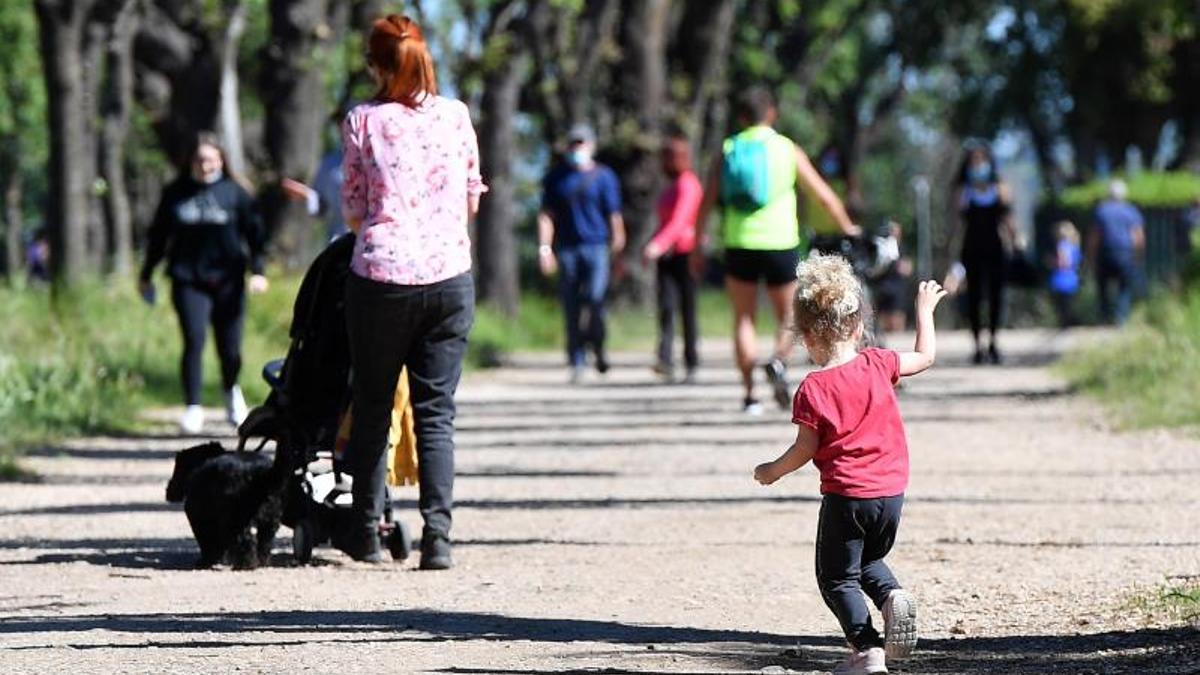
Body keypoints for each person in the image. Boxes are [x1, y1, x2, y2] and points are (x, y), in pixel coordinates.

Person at [338, 14, 486, 569]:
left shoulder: (364, 119)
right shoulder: (456, 116)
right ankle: (438, 538)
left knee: (374, 406)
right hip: (449, 278)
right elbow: (472, 199)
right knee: (435, 414)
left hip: (380, 280)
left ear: (378, 65)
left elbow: (354, 209)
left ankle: (367, 532)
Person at [753, 253, 947, 675]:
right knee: (867, 561)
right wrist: (924, 311)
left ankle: (866, 650)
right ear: (859, 325)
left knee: (836, 577)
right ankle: (892, 597)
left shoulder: (813, 387)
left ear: (805, 335)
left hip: (846, 498)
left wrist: (772, 470)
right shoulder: (879, 362)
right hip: (892, 495)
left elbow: (804, 449)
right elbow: (925, 357)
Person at [692, 87, 858, 414]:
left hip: (739, 242)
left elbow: (706, 201)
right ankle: (779, 361)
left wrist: (698, 243)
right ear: (771, 114)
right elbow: (824, 196)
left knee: (744, 318)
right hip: (781, 242)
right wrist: (848, 227)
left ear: (741, 117)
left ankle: (750, 395)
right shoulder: (786, 149)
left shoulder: (728, 150)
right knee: (791, 314)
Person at [139, 131, 269, 434]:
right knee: (194, 339)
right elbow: (159, 236)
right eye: (199, 159)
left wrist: (259, 271)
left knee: (230, 346)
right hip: (188, 278)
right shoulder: (176, 193)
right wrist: (146, 274)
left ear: (221, 160)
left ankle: (231, 392)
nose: (204, 165)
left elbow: (256, 235)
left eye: (210, 159)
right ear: (190, 161)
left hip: (229, 279)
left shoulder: (236, 193)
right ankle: (193, 406)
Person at [537, 123, 626, 383]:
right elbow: (546, 216)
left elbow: (615, 216)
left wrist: (618, 250)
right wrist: (545, 249)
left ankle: (598, 345)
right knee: (572, 305)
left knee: (595, 300)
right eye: (573, 144)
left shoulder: (605, 176)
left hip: (597, 248)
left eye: (581, 144)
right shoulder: (557, 177)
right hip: (567, 248)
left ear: (592, 146)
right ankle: (576, 358)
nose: (577, 149)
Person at [643, 135, 703, 383]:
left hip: (686, 253)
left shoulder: (688, 185)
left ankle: (691, 361)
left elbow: (680, 221)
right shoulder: (670, 186)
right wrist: (655, 243)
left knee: (687, 309)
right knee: (666, 308)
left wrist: (658, 243)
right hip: (668, 255)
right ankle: (665, 359)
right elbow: (664, 221)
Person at [954, 144, 1015, 364]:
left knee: (996, 296)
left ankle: (994, 341)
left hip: (996, 249)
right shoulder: (964, 189)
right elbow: (957, 218)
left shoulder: (998, 186)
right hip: (971, 249)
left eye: (982, 160)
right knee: (974, 298)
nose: (978, 165)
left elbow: (1008, 215)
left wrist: (1016, 240)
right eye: (974, 161)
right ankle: (977, 345)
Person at [281, 114, 349, 241]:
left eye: (347, 122)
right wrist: (307, 194)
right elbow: (323, 208)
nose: (342, 128)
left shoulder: (378, 159)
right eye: (340, 123)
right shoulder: (329, 162)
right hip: (340, 243)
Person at [1087, 179, 1144, 326]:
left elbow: (1095, 237)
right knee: (1124, 286)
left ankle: (1104, 317)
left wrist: (1091, 257)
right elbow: (1138, 236)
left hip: (1105, 253)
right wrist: (1137, 256)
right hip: (1125, 253)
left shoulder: (1101, 210)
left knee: (1102, 286)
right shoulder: (1131, 211)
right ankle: (1120, 318)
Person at [871, 221, 912, 334]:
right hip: (883, 286)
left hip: (897, 287)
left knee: (897, 318)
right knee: (883, 319)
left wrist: (901, 266)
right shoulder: (880, 246)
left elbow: (908, 269)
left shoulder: (902, 248)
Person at [1048, 220, 1082, 329]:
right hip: (1073, 278)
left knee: (1062, 306)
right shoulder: (1075, 246)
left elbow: (1063, 262)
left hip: (1061, 278)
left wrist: (1050, 262)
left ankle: (1066, 324)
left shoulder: (1062, 246)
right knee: (1069, 305)